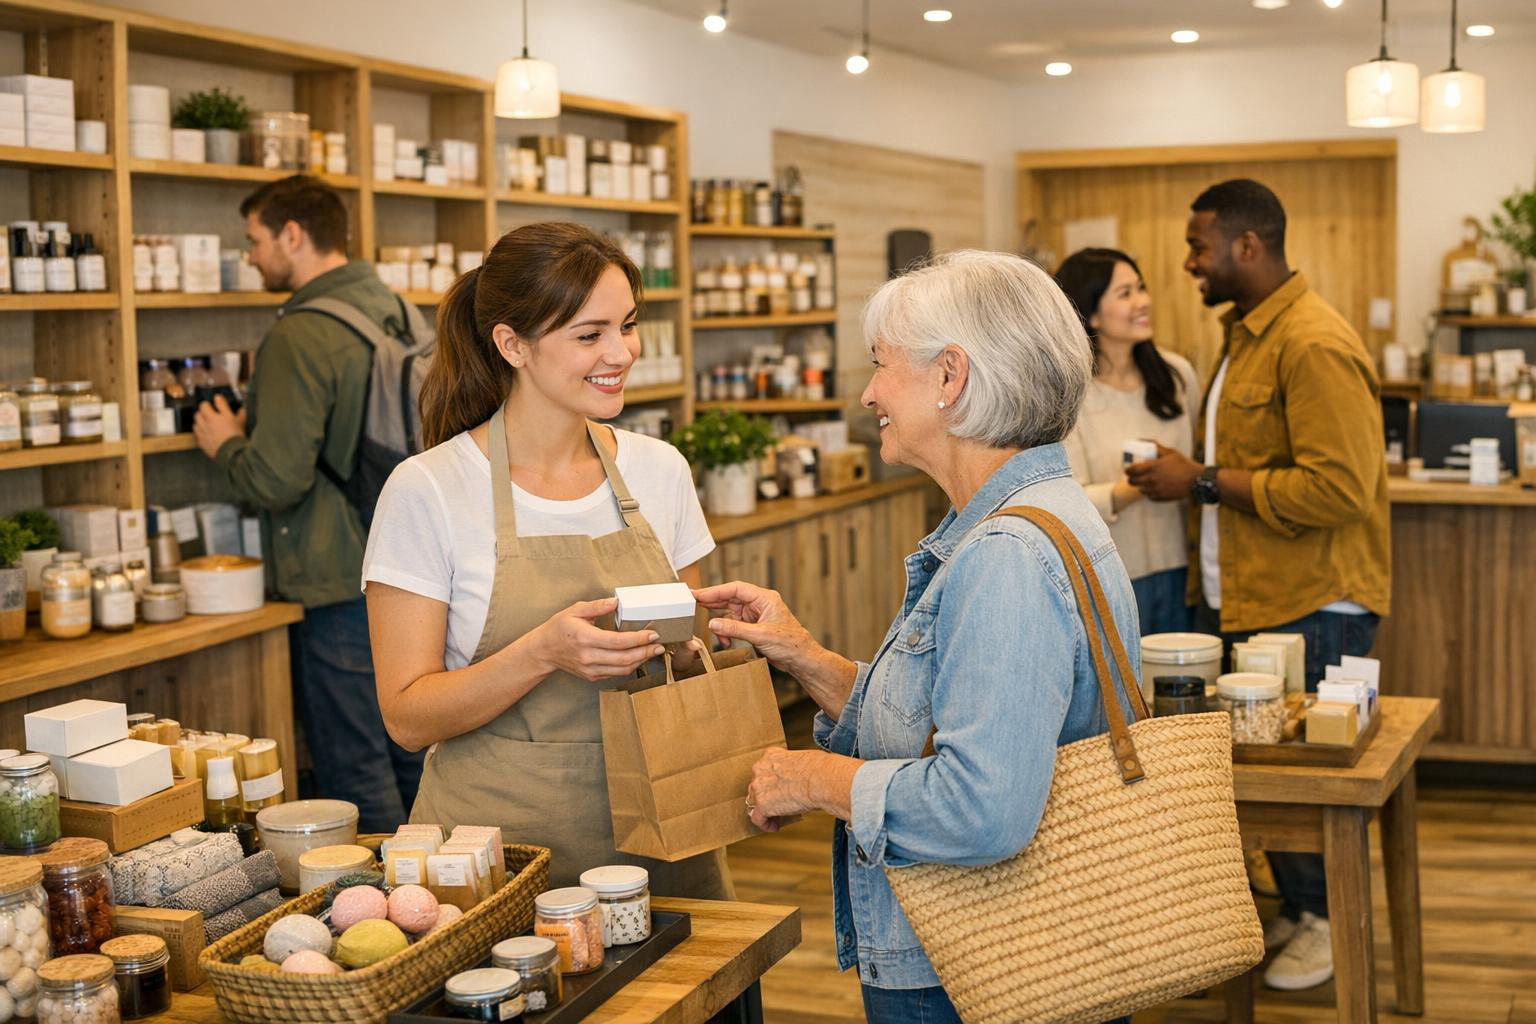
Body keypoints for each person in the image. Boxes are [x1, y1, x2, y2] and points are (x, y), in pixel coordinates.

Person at [696, 250, 1138, 1024]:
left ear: (949, 377)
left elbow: (981, 809)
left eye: (880, 366)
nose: (870, 394)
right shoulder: (1042, 511)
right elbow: (950, 710)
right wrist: (807, 658)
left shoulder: (1007, 555)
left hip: (973, 974)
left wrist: (809, 779)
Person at [361, 222, 732, 897]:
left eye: (627, 325)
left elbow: (689, 658)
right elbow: (407, 718)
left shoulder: (660, 470)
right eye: (589, 335)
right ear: (512, 344)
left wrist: (700, 639)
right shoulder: (429, 489)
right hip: (494, 866)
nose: (621, 352)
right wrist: (544, 653)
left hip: (660, 843)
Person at [1127, 179, 1390, 991]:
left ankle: (1325, 923)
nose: (1186, 262)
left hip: (1312, 601)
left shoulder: (1309, 342)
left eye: (1198, 246)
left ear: (1247, 246)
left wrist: (1201, 481)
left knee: (1306, 781)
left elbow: (1339, 488)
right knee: (1267, 774)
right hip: (1259, 595)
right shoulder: (1248, 335)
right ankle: (1303, 906)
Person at [193, 174, 423, 833]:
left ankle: (389, 915)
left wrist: (226, 444)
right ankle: (443, 898)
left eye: (256, 240)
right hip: (406, 559)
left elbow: (276, 479)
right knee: (411, 748)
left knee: (353, 764)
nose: (253, 256)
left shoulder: (299, 334)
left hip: (333, 575)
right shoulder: (398, 309)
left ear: (293, 235)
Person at [1056, 248, 1200, 635]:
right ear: (1093, 312)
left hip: (1181, 573)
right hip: (1109, 574)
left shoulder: (1176, 376)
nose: (1143, 301)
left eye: (1141, 288)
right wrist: (1127, 491)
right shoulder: (1071, 394)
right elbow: (1063, 497)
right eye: (1125, 293)